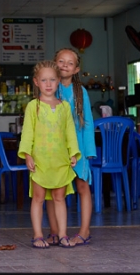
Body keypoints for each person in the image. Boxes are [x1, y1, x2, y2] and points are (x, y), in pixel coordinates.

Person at [18, 59, 81, 249]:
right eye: (44, 80)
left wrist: (73, 153)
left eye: (52, 80)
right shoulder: (33, 106)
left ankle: (62, 235)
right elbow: (27, 132)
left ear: (58, 82)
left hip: (60, 160)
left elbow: (70, 131)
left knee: (59, 198)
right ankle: (38, 235)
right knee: (37, 198)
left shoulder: (64, 107)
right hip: (40, 161)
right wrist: (27, 154)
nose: (48, 84)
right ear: (36, 82)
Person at [44, 47, 96, 246]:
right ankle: (55, 231)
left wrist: (89, 151)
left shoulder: (80, 92)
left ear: (76, 69)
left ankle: (84, 231)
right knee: (53, 189)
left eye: (70, 63)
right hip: (53, 148)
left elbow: (88, 122)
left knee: (82, 187)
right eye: (61, 61)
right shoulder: (49, 88)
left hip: (78, 148)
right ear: (54, 63)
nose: (65, 65)